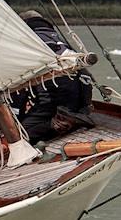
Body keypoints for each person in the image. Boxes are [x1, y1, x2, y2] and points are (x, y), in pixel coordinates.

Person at [15, 10, 94, 144]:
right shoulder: (58, 38)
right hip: (79, 97)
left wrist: (17, 115)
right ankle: (74, 115)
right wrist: (85, 105)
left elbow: (19, 84)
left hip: (56, 98)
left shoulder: (29, 43)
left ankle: (57, 123)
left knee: (19, 136)